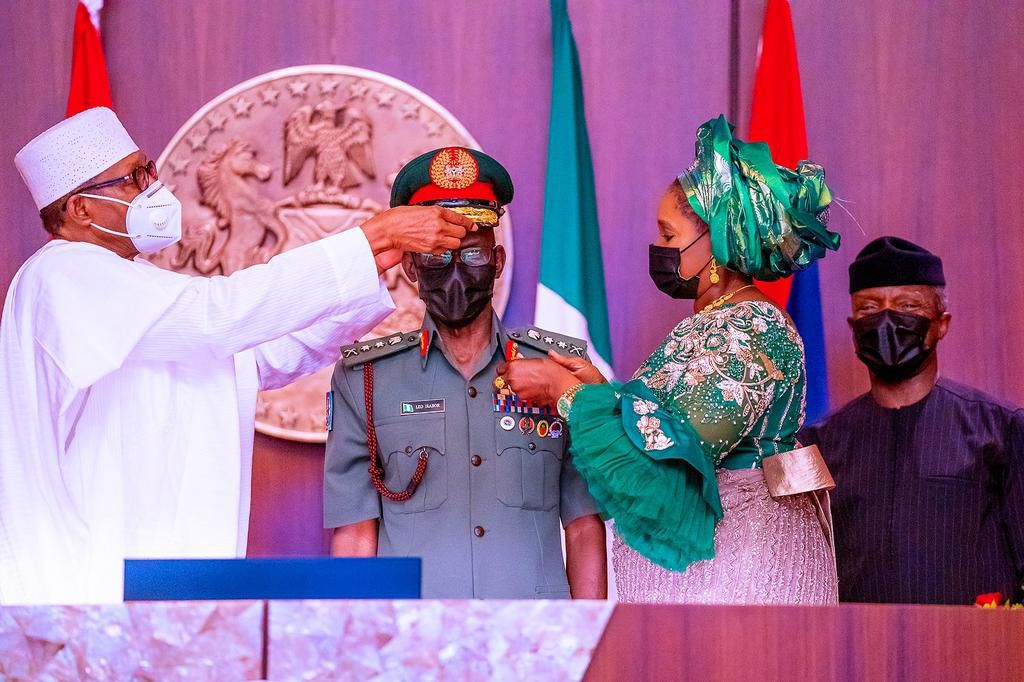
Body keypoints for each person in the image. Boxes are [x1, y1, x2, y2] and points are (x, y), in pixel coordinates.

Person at [0, 107, 475, 605]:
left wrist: (373, 267)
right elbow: (216, 317)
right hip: (82, 587)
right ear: (80, 208)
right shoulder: (62, 274)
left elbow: (261, 357)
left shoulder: (134, 284)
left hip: (154, 583)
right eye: (134, 177)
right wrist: (370, 237)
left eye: (149, 169)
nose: (152, 187)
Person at [500, 115, 841, 604]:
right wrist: (598, 390)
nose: (658, 249)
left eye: (668, 235)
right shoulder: (711, 321)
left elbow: (679, 453)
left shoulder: (753, 325)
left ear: (716, 242)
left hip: (744, 571)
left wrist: (568, 394)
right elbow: (662, 421)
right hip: (709, 572)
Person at [324, 147, 607, 599]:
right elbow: (356, 535)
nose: (456, 271)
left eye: (473, 254)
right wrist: (357, 635)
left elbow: (583, 526)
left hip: (533, 632)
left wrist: (587, 630)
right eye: (438, 256)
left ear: (498, 262)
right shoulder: (366, 381)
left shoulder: (558, 372)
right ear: (412, 266)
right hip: (416, 633)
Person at [799, 236, 1024, 604]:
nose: (886, 319)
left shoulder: (1001, 431)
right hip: (855, 638)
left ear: (941, 323)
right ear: (853, 327)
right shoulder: (820, 445)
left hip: (977, 638)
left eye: (907, 305)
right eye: (869, 307)